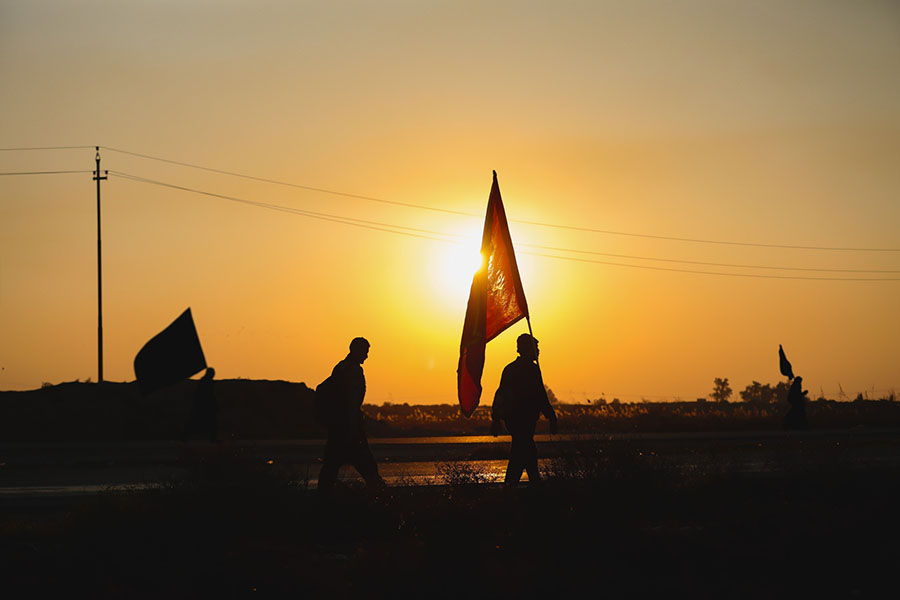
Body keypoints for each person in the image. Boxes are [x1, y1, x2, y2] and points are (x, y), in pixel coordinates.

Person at [317, 337, 384, 494]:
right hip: (349, 427)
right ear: (356, 350)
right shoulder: (353, 370)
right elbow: (352, 402)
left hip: (337, 426)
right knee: (368, 468)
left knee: (330, 467)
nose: (366, 356)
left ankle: (321, 501)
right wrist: (354, 428)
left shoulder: (340, 367)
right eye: (365, 352)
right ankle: (381, 501)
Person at [491, 333, 558, 486]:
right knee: (522, 453)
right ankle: (513, 489)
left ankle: (529, 487)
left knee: (525, 453)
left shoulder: (510, 369)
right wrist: (551, 417)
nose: (538, 351)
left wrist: (496, 418)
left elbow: (500, 395)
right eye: (536, 347)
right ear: (527, 349)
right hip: (523, 420)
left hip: (515, 421)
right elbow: (540, 395)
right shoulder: (530, 370)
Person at [184, 367, 218, 442]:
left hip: (203, 405)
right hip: (203, 406)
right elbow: (208, 394)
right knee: (206, 422)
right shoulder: (206, 382)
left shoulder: (205, 382)